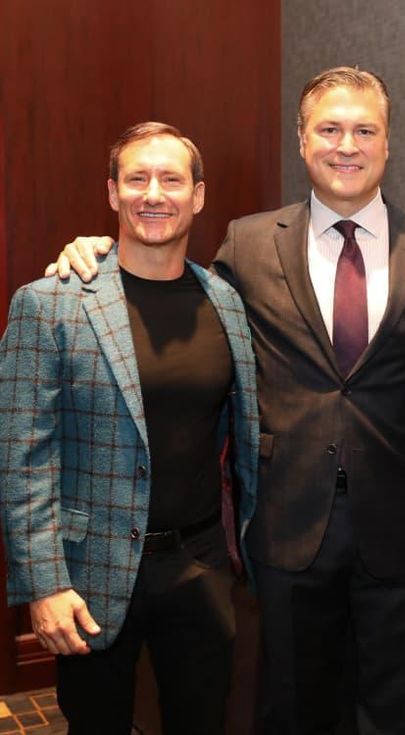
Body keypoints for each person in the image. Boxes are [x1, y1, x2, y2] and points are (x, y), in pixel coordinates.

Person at [53, 68, 405, 734]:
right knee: (292, 707)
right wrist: (99, 254)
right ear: (303, 141)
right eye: (329, 129)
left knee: (398, 711)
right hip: (286, 522)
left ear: (388, 144)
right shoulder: (248, 243)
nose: (347, 145)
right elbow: (175, 305)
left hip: (404, 526)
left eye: (365, 130)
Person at [0, 122, 259, 734]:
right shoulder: (51, 302)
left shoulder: (225, 302)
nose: (154, 194)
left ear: (197, 195)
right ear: (113, 193)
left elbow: (239, 436)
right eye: (136, 178)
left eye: (171, 179)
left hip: (200, 563)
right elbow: (20, 456)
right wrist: (45, 583)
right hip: (91, 573)